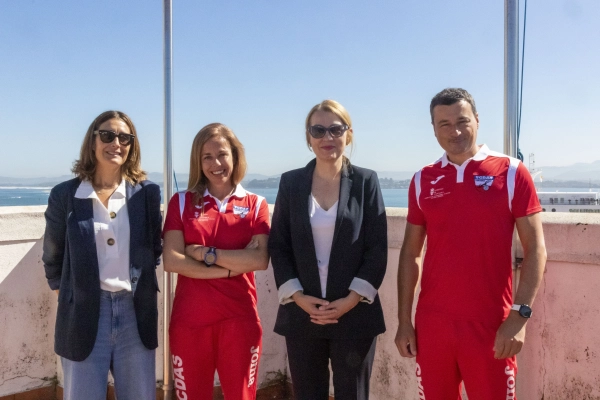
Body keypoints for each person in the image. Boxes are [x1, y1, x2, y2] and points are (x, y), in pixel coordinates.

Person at [394, 88, 547, 399]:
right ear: (434, 129)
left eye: (463, 121)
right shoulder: (423, 179)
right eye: (445, 124)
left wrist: (519, 318)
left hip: (491, 324)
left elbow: (536, 251)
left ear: (477, 121)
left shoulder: (512, 172)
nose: (456, 131)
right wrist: (404, 321)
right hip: (433, 325)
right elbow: (411, 253)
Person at [269, 100, 388, 400]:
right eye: (318, 130)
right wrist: (297, 297)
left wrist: (350, 299)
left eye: (336, 129)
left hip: (354, 314)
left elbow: (376, 247)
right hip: (302, 314)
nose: (327, 137)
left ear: (349, 134)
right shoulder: (291, 182)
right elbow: (279, 245)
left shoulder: (366, 181)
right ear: (308, 137)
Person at [42, 110, 162, 400]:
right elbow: (53, 255)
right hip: (84, 312)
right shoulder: (66, 195)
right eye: (107, 135)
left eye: (125, 138)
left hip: (135, 312)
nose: (116, 143)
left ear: (132, 146)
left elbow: (153, 249)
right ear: (93, 142)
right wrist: (71, 294)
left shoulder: (146, 194)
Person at [162, 123, 270, 400]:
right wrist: (232, 268)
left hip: (240, 321)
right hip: (190, 323)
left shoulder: (256, 204)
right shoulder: (182, 202)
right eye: (206, 157)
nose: (216, 163)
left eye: (222, 154)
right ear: (198, 162)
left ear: (235, 156)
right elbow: (173, 261)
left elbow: (259, 259)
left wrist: (205, 254)